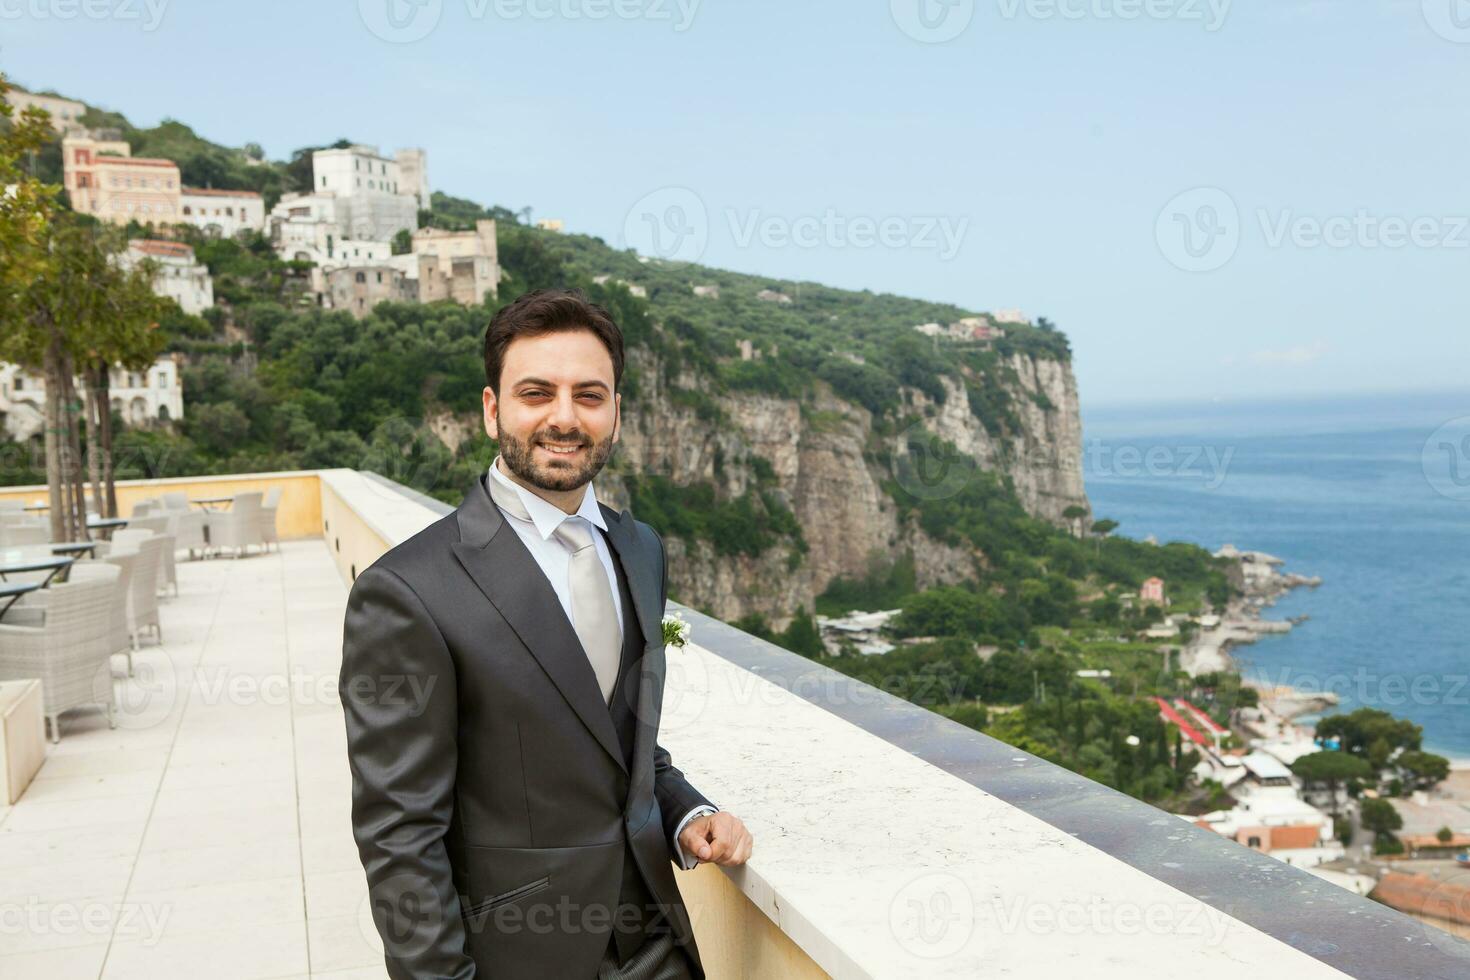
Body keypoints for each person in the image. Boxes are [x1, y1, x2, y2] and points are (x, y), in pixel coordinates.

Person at [341, 288, 753, 979]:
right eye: (537, 393)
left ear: (616, 413)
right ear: (491, 409)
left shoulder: (641, 548)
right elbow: (400, 836)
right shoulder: (406, 592)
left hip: (661, 948)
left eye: (589, 396)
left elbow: (621, 743)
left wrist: (687, 812)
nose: (564, 417)